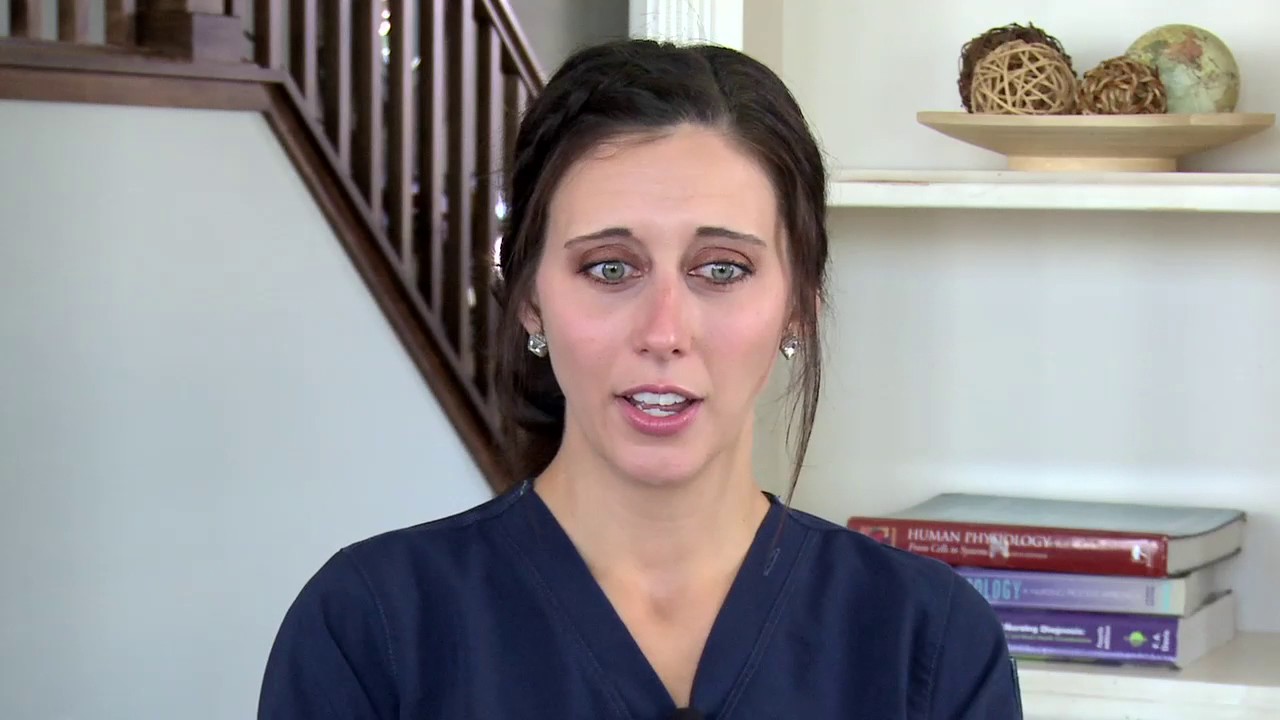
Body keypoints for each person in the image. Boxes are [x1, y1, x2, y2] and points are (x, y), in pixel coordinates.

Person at [258, 38, 1023, 719]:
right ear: (530, 299)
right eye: (609, 268)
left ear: (799, 306)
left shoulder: (931, 642)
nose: (663, 332)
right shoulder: (370, 628)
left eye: (721, 270)